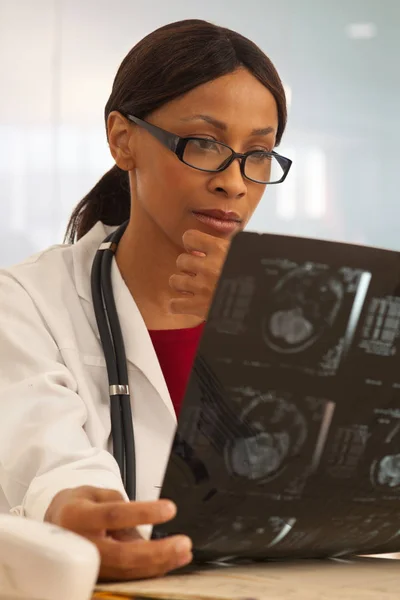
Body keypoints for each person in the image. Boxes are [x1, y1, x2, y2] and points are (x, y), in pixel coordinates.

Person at [0, 19, 290, 580]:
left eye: (258, 153)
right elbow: (42, 453)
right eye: (205, 144)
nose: (234, 182)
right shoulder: (28, 302)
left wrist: (250, 324)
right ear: (122, 139)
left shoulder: (293, 314)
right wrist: (72, 508)